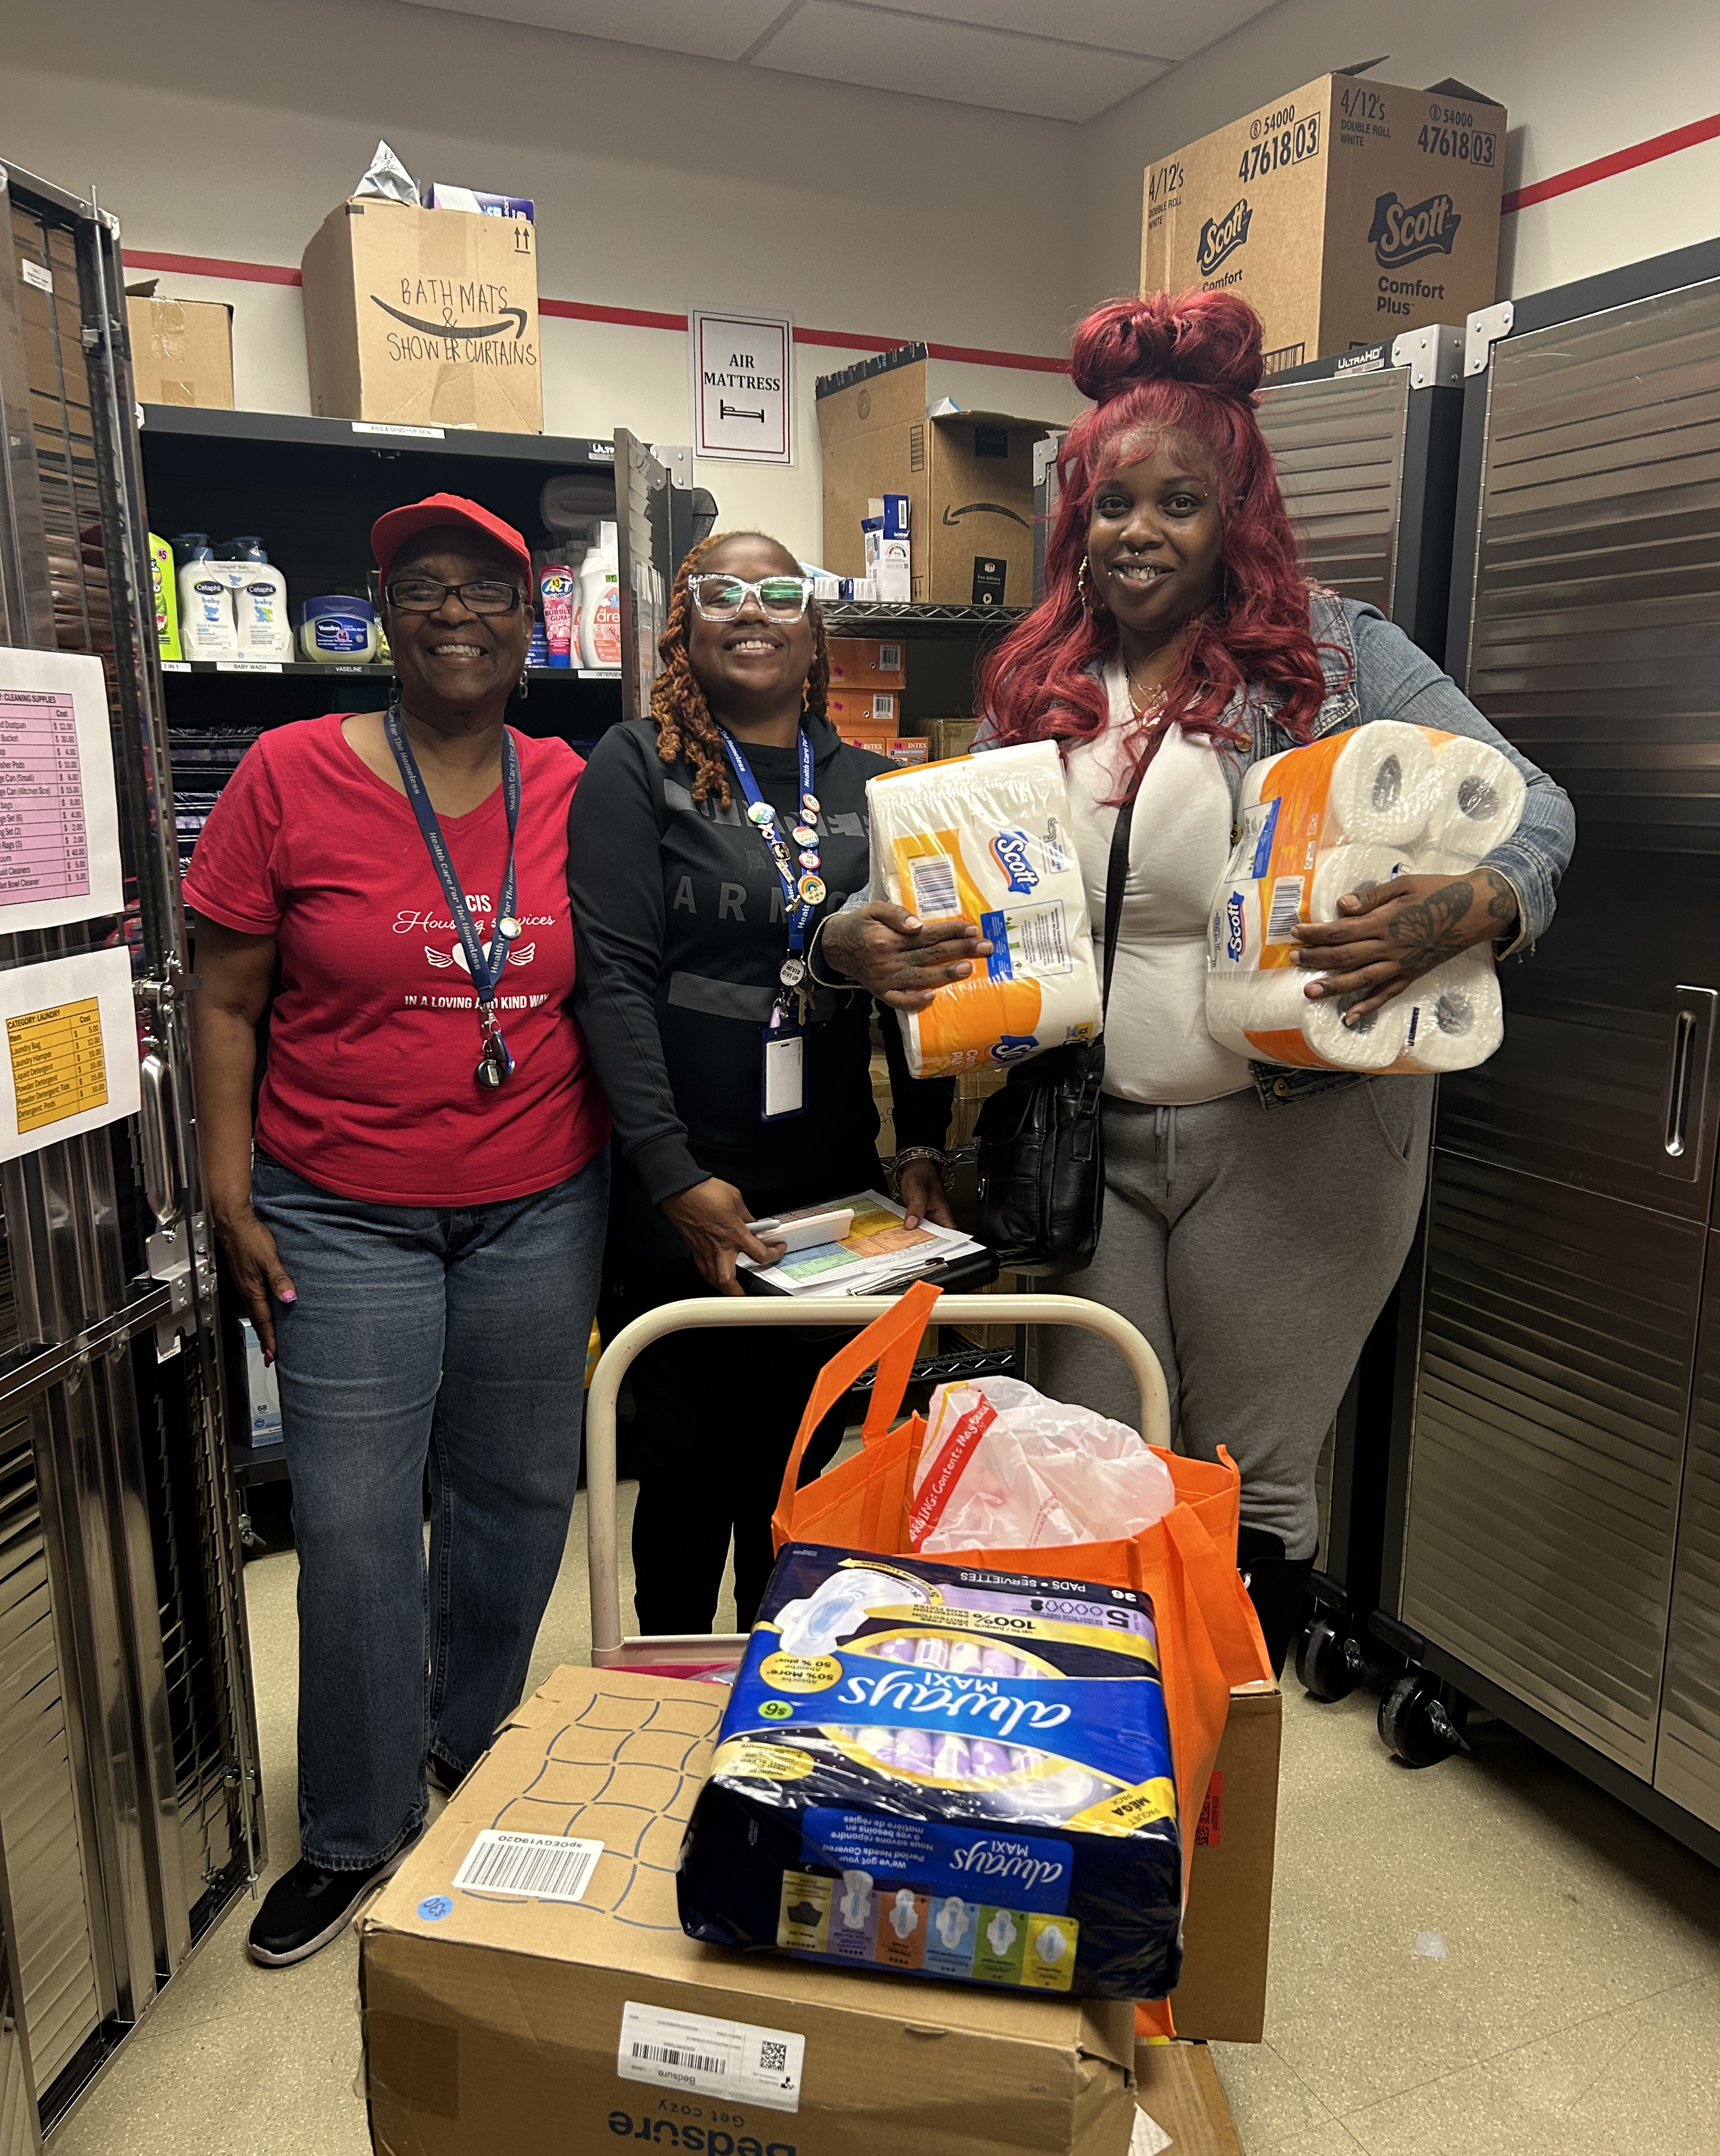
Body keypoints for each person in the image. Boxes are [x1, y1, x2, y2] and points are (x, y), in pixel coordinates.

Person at [828, 292, 1576, 1674]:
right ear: (1077, 515)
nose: (1140, 532)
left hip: (1299, 1142)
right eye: (1112, 502)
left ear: (1238, 510)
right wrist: (857, 939)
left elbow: (1537, 806)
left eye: (1181, 500)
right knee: (1089, 1478)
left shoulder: (1334, 658)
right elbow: (938, 876)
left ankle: (1218, 1827)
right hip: (1087, 1137)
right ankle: (1111, 1795)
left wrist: (1469, 906)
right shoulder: (1038, 684)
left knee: (1249, 1489)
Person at [185, 492, 610, 1965]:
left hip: (539, 1201)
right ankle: (354, 1830)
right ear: (382, 609)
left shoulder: (574, 781)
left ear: (527, 625)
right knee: (359, 1526)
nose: (457, 614)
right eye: (425, 587)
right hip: (340, 1209)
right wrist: (228, 1191)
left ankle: (472, 1741)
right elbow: (225, 999)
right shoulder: (290, 773)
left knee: (515, 1503)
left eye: (489, 592)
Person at [568, 532, 974, 1637]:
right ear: (683, 627)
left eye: (780, 592)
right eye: (723, 594)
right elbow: (614, 984)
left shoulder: (877, 790)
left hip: (833, 1195)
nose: (753, 612)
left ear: (815, 632)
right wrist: (670, 1174)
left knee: (802, 1480)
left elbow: (919, 983)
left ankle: (779, 1693)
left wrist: (922, 1145)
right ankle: (675, 1698)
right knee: (691, 1475)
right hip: (686, 1199)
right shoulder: (633, 769)